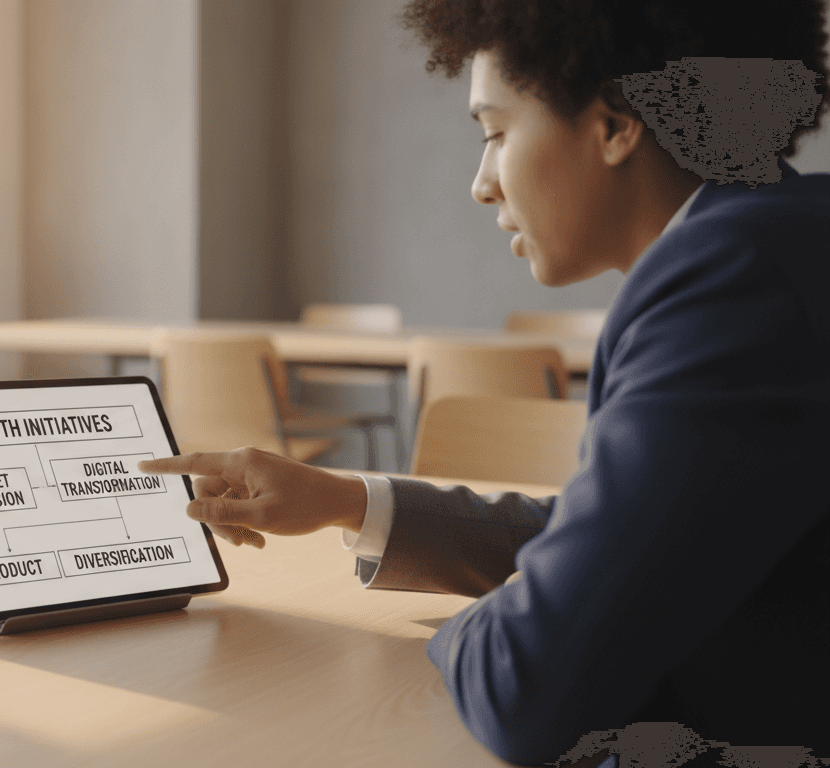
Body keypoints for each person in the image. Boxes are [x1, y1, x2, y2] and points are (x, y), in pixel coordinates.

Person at [140, 1, 830, 765]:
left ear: (616, 123)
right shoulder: (774, 241)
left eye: (496, 132)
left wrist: (490, 623)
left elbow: (524, 685)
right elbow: (617, 540)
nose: (481, 184)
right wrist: (345, 500)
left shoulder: (731, 281)